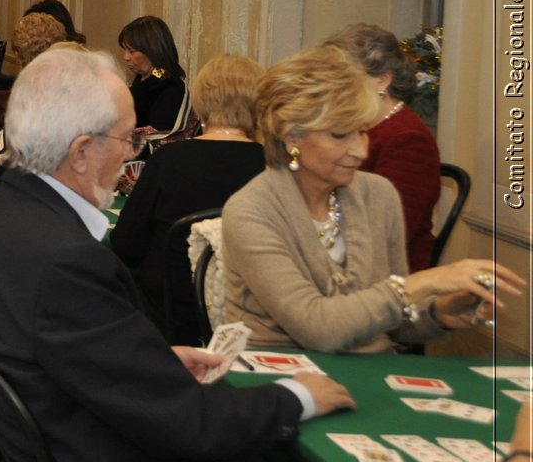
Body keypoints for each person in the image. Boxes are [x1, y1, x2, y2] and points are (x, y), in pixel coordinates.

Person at [0, 48, 357, 462]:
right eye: (128, 137)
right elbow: (191, 425)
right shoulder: (66, 262)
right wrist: (299, 395)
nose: (133, 152)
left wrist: (152, 362)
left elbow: (60, 356)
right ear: (82, 151)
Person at [223, 46, 523, 353]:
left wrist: (438, 313)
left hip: (369, 372)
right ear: (291, 137)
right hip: (278, 380)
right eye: (340, 135)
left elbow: (392, 322)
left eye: (363, 132)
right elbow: (317, 329)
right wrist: (423, 284)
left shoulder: (378, 194)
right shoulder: (251, 211)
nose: (360, 151)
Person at [108, 54, 267, 343]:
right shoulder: (272, 167)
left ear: (202, 101)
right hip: (247, 315)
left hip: (166, 315)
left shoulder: (168, 159)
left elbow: (125, 244)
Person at [325, 23, 443, 270]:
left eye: (344, 78)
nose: (333, 88)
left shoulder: (409, 139)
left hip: (389, 277)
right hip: (346, 256)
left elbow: (391, 231)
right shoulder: (354, 128)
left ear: (382, 80)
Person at [119, 14, 188, 132]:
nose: (126, 57)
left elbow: (159, 135)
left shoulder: (170, 87)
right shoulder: (146, 78)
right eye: (124, 50)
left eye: (132, 51)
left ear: (152, 50)